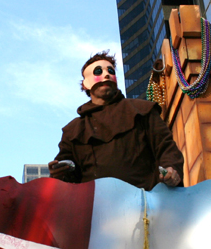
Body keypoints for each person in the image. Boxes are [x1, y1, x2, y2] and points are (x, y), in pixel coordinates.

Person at [48, 52, 184, 191]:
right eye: (98, 71)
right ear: (85, 84)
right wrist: (60, 173)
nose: (106, 74)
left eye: (110, 71)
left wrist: (171, 169)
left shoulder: (142, 110)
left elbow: (166, 147)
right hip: (97, 207)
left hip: (146, 204)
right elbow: (68, 177)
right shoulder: (73, 131)